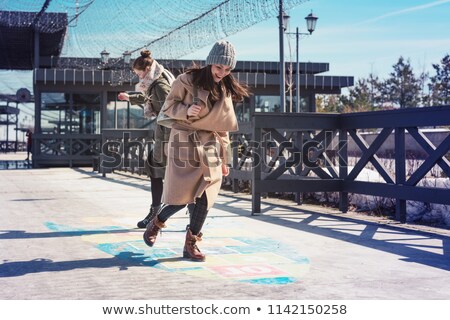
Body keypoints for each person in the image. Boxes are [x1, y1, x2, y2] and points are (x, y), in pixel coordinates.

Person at [143, 40, 251, 261]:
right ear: (210, 63)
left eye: (228, 69)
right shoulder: (186, 81)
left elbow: (224, 127)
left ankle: (191, 244)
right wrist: (186, 109)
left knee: (205, 196)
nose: (222, 73)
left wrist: (225, 159)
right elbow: (167, 109)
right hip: (185, 141)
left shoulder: (225, 89)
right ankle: (157, 223)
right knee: (182, 196)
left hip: (211, 145)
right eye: (219, 67)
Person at [118, 49, 173, 228]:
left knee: (159, 171)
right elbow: (150, 98)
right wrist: (130, 97)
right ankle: (158, 213)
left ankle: (156, 214)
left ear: (147, 69)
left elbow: (171, 112)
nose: (138, 77)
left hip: (169, 136)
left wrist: (166, 144)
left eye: (138, 73)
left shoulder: (159, 85)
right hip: (167, 135)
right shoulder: (156, 81)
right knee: (161, 172)